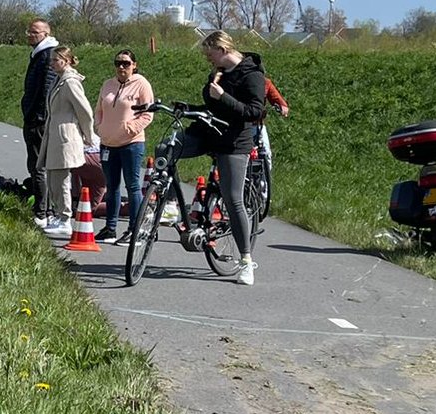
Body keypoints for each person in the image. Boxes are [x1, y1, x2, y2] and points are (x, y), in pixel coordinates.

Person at [152, 30, 265, 285]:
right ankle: (169, 204)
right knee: (165, 148)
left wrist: (223, 96)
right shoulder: (218, 73)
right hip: (207, 132)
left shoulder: (252, 75)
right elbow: (213, 108)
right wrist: (190, 109)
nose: (207, 58)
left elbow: (254, 112)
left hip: (233, 142)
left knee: (233, 199)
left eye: (209, 53)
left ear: (222, 49)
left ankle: (246, 261)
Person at [92, 49, 154, 244]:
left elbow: (148, 114)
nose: (121, 67)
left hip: (131, 144)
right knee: (111, 186)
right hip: (108, 143)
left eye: (126, 63)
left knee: (133, 186)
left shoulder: (141, 84)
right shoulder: (108, 84)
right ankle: (110, 228)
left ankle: (134, 229)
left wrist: (129, 129)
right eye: (118, 63)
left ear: (134, 65)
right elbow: (99, 110)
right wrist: (99, 128)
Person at [37, 47, 99, 237]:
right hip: (54, 134)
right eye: (51, 60)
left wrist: (89, 135)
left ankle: (65, 219)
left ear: (66, 60)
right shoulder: (58, 80)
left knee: (61, 179)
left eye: (55, 60)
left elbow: (85, 111)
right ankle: (59, 215)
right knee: (53, 177)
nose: (52, 63)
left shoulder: (70, 82)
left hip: (66, 136)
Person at [20, 19, 58, 223]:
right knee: (35, 165)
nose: (30, 35)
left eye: (34, 32)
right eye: (29, 31)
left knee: (39, 166)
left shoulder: (47, 55)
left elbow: (46, 89)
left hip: (38, 120)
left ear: (45, 34)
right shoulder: (39, 54)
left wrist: (39, 117)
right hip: (34, 117)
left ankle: (42, 211)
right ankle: (44, 208)